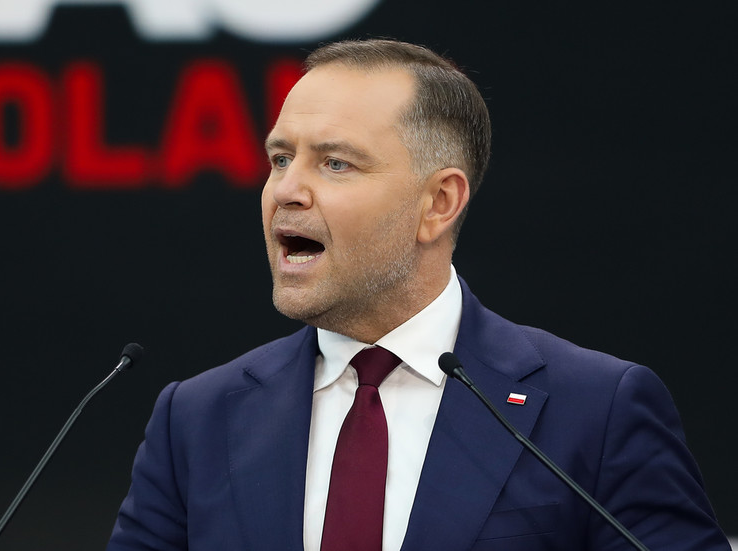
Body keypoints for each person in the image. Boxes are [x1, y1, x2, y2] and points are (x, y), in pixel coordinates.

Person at [106, 39, 729, 551]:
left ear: (439, 203)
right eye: (280, 159)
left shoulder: (597, 410)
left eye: (335, 163)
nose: (287, 191)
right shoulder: (195, 419)